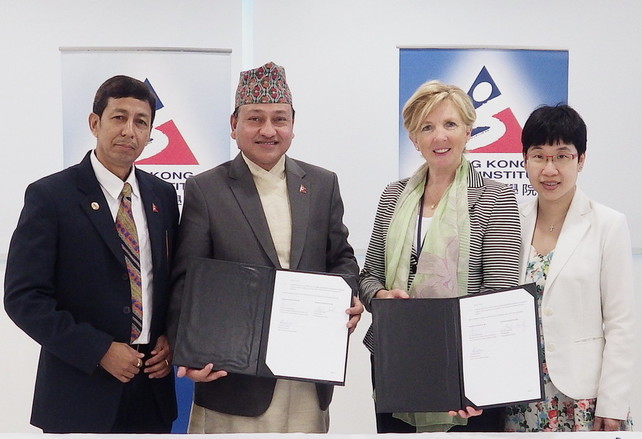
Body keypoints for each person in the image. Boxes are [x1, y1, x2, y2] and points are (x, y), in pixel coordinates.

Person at [167, 61, 362, 433]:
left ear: (293, 124)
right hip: (232, 381)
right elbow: (186, 282)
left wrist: (346, 296)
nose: (268, 130)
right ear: (233, 125)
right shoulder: (206, 190)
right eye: (255, 119)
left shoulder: (322, 184)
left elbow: (342, 258)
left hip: (306, 376)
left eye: (279, 119)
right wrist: (188, 351)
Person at [3, 75, 179, 433]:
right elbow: (24, 298)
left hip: (151, 389)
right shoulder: (51, 196)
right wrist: (98, 350)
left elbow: (170, 281)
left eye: (141, 122)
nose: (129, 131)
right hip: (79, 390)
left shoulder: (162, 196)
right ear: (94, 123)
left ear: (150, 134)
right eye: (119, 117)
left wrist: (170, 337)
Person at [359, 80, 521, 433]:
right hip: (397, 360)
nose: (439, 137)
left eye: (449, 124)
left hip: (466, 369)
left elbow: (500, 301)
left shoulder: (496, 199)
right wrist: (383, 296)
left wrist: (478, 379)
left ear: (468, 130)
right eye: (426, 127)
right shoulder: (393, 196)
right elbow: (367, 276)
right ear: (414, 139)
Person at [504, 104, 634, 432]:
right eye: (539, 156)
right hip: (520, 397)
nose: (549, 169)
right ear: (525, 159)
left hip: (583, 401)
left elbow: (620, 324)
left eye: (562, 156)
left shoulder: (608, 224)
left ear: (581, 160)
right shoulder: (508, 221)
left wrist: (613, 402)